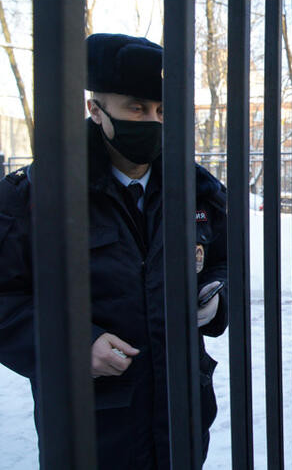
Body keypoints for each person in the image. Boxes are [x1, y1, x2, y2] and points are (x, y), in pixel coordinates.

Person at [0, 33, 228, 469]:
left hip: (182, 413)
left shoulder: (197, 189)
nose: (153, 121)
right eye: (136, 108)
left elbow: (225, 258)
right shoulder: (36, 194)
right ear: (95, 109)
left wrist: (217, 298)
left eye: (163, 110)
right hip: (92, 425)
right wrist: (72, 346)